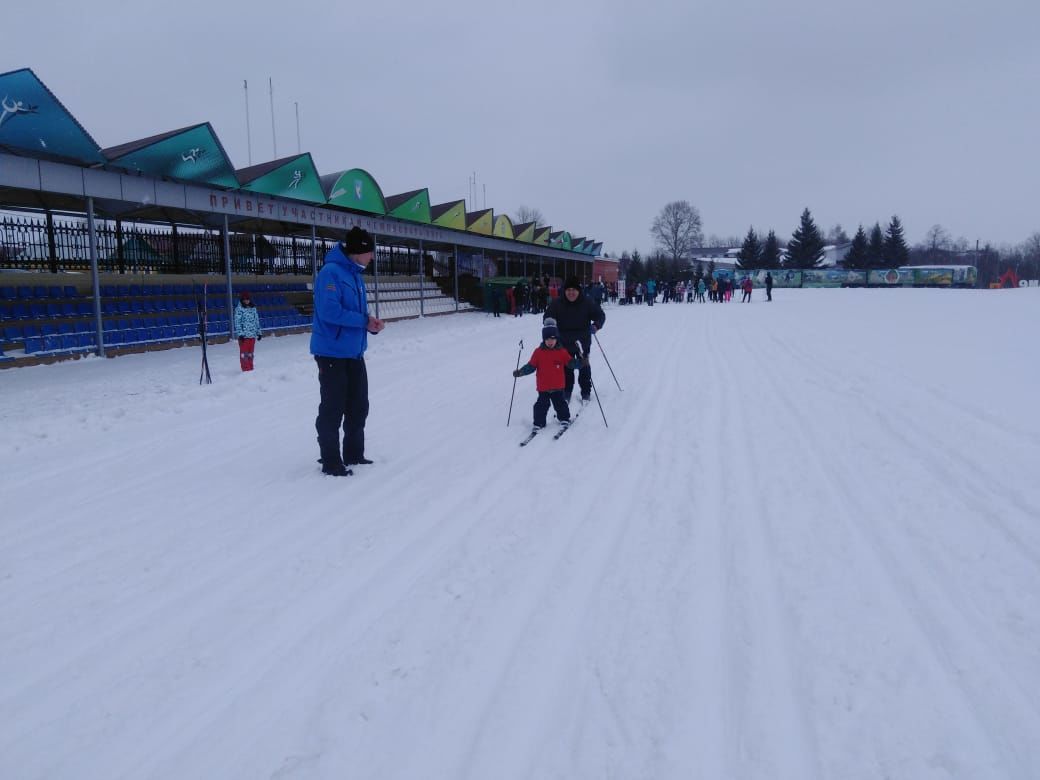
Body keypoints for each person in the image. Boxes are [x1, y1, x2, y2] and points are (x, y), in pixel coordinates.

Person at [310, 226, 386, 477]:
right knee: (333, 407)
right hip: (332, 353)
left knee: (358, 405)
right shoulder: (330, 273)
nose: (372, 257)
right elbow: (329, 313)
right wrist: (363, 321)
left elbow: (355, 314)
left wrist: (370, 324)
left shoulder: (355, 275)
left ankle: (353, 454)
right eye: (370, 252)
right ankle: (331, 461)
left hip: (354, 353)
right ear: (359, 251)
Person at [544, 276, 606, 403]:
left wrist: (596, 325)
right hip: (563, 342)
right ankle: (566, 392)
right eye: (568, 290)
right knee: (566, 369)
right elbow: (547, 317)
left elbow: (600, 315)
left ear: (579, 290)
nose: (571, 293)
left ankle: (585, 392)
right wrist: (550, 326)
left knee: (584, 368)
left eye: (574, 290)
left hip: (582, 342)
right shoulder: (557, 303)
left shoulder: (587, 302)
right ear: (564, 290)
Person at [512, 322, 583, 431]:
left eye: (553, 339)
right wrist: (520, 372)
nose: (550, 341)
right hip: (543, 387)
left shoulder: (561, 352)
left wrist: (580, 363)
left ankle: (564, 419)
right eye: (548, 339)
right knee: (540, 406)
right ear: (544, 339)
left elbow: (570, 363)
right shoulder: (538, 352)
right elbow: (531, 366)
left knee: (560, 404)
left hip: (558, 387)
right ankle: (539, 423)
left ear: (557, 339)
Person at [233, 290, 263, 371]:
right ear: (242, 299)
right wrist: (240, 334)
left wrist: (259, 332)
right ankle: (246, 369)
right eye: (245, 299)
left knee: (250, 354)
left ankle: (250, 367)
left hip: (252, 335)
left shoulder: (253, 308)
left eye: (248, 299)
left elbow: (256, 321)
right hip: (244, 336)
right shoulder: (239, 309)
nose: (246, 300)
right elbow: (237, 323)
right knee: (244, 354)